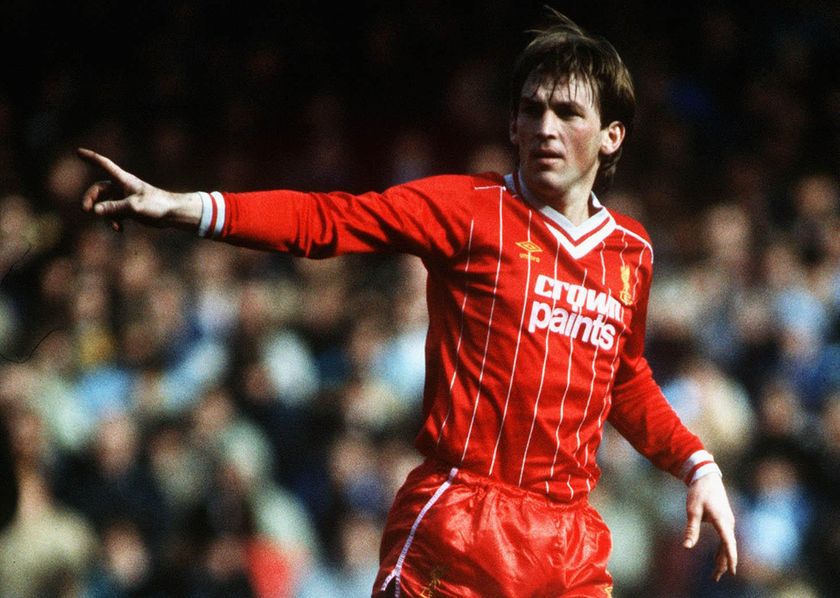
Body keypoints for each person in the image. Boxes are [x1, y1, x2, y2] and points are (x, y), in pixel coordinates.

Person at [78, 11, 737, 597]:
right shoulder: (470, 209)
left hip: (569, 545)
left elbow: (623, 378)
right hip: (460, 522)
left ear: (612, 136)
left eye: (567, 113)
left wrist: (697, 464)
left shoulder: (632, 252)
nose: (545, 127)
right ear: (511, 122)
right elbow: (327, 221)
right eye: (531, 110)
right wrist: (184, 208)